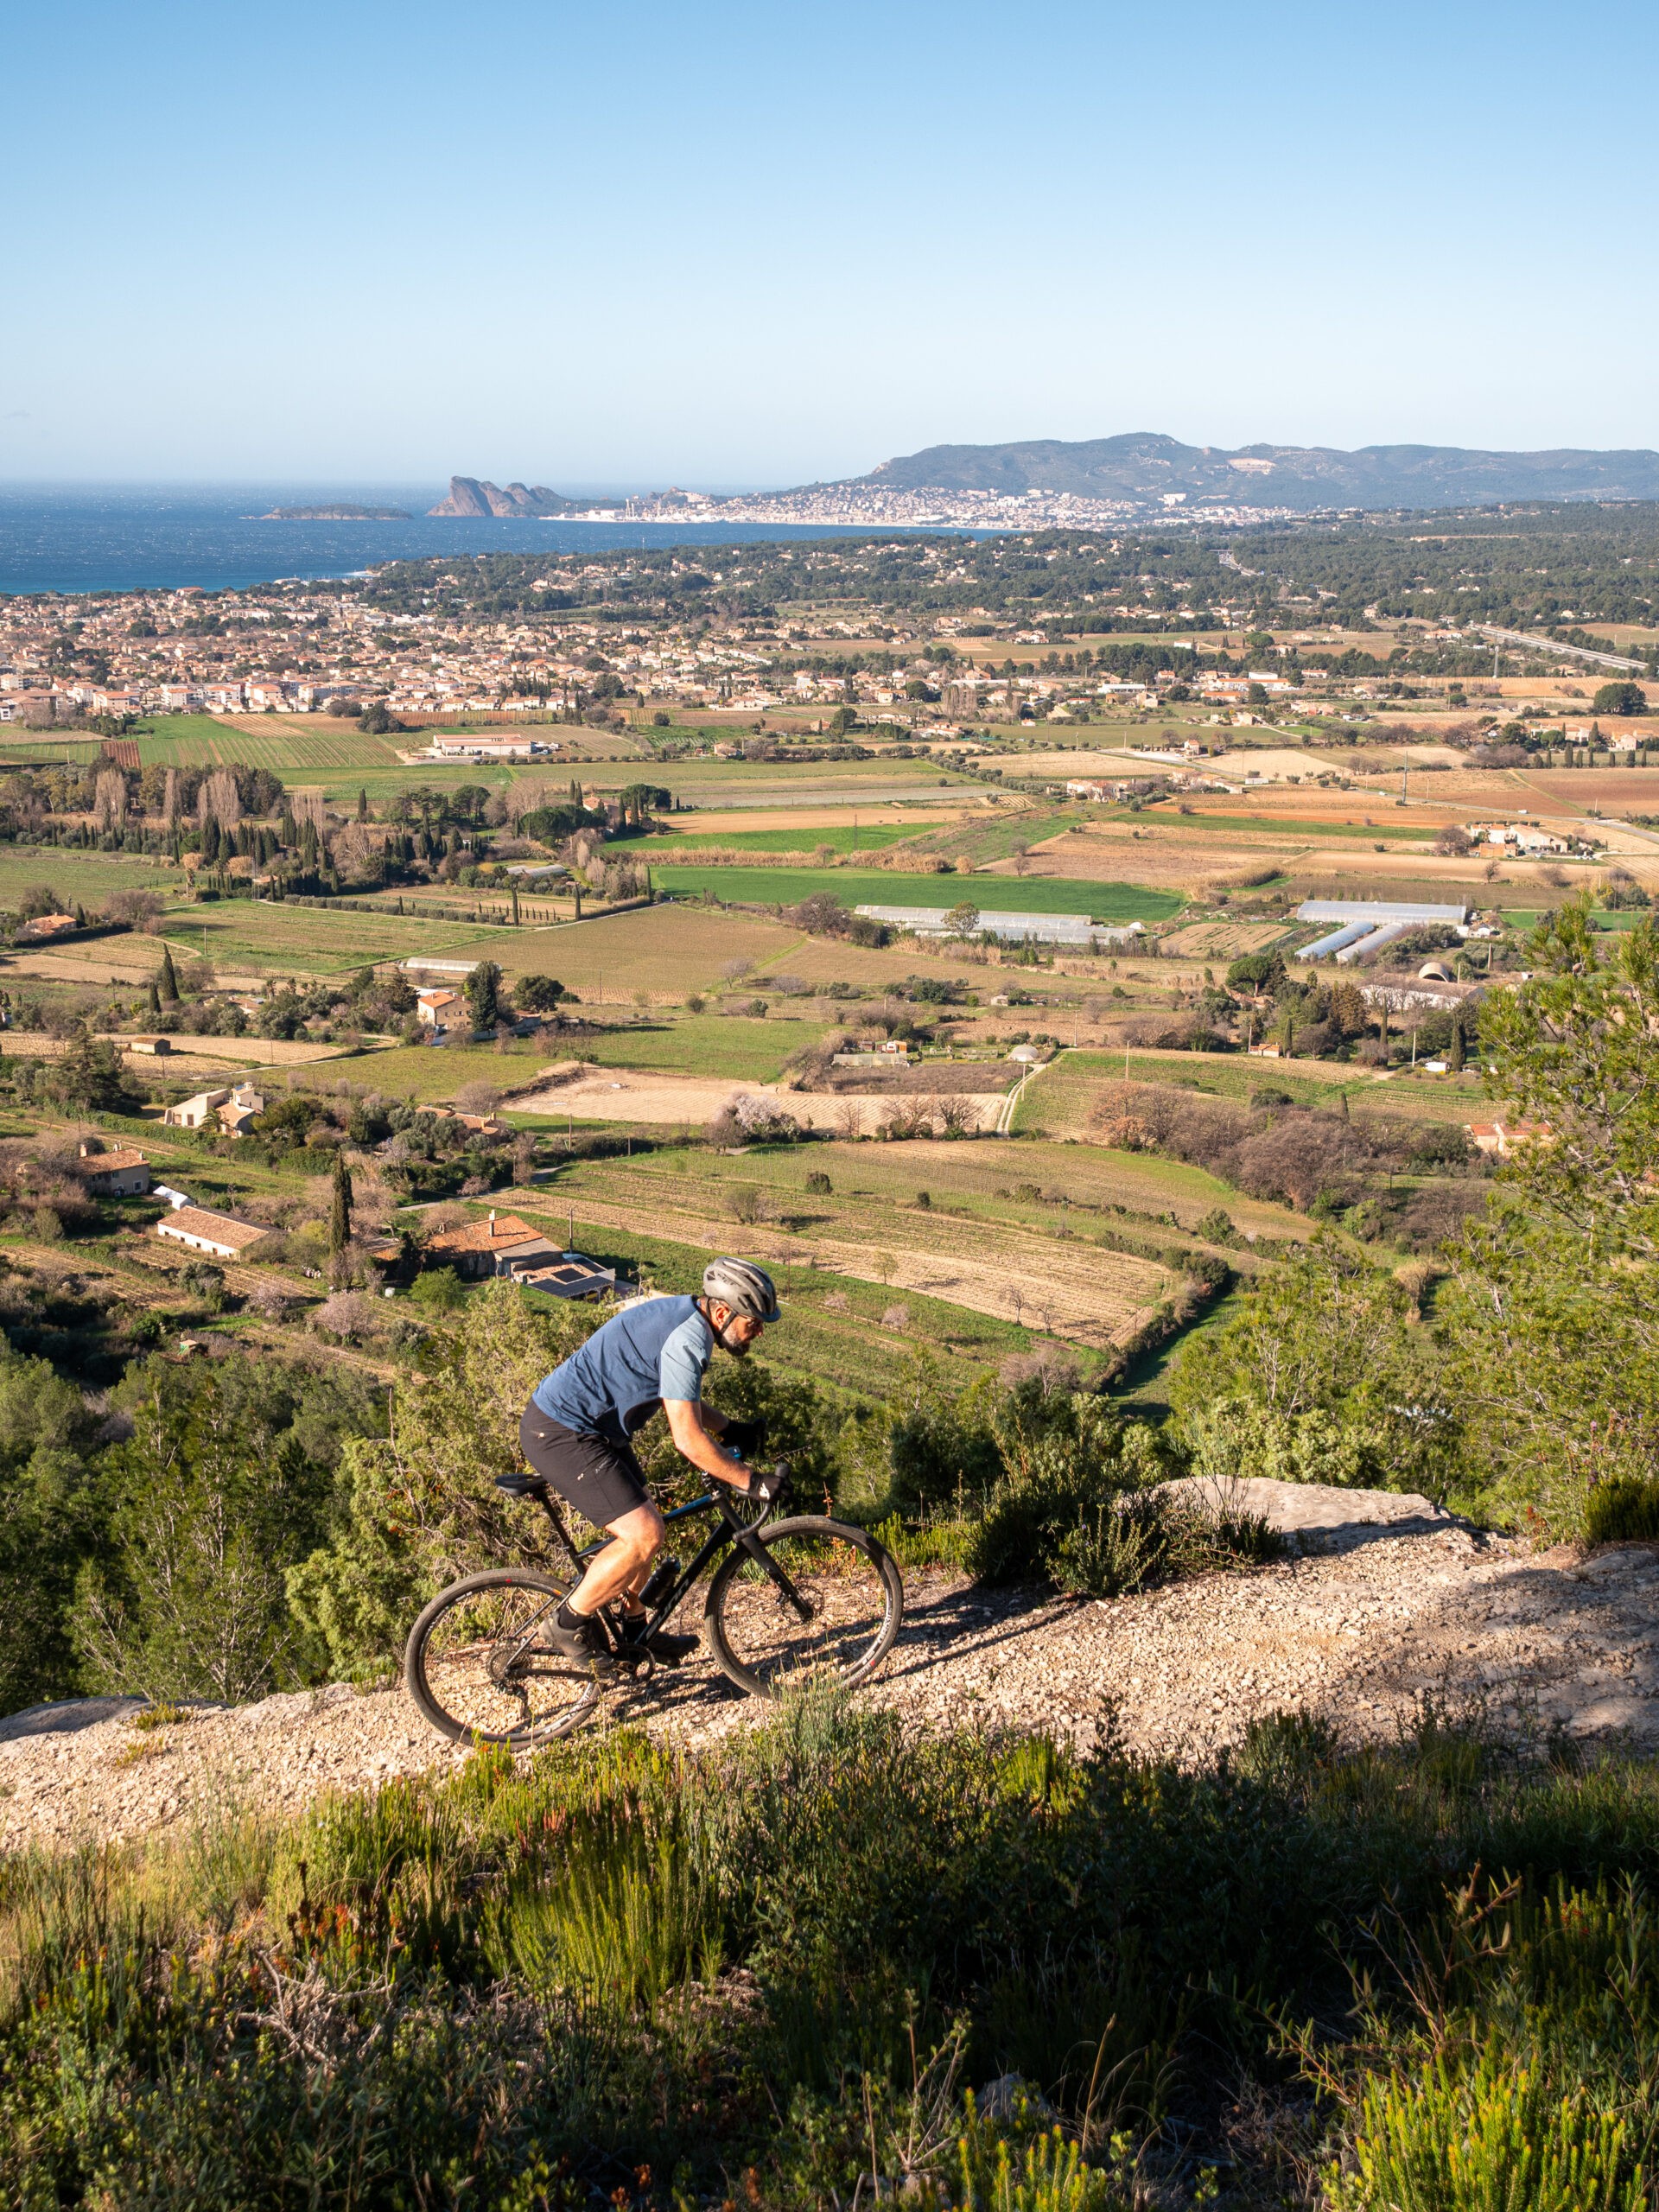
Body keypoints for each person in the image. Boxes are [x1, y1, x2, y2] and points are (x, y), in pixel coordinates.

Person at [520, 1257, 784, 1665]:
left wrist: (731, 1429)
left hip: (596, 1431)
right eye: (754, 1321)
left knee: (647, 1522)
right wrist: (752, 1481)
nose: (760, 1331)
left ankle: (635, 1631)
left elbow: (678, 1398)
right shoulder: (689, 1339)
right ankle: (566, 1624)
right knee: (644, 1534)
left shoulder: (686, 1317)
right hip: (562, 1430)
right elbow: (688, 1439)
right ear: (721, 1312)